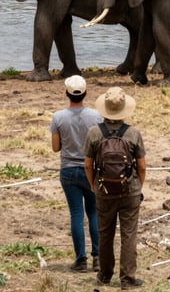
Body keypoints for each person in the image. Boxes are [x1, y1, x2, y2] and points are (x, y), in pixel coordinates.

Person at [84, 87, 146, 289]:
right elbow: (142, 166)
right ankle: (127, 279)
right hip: (130, 191)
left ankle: (104, 276)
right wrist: (137, 186)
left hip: (103, 190)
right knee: (129, 234)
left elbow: (87, 164)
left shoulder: (94, 133)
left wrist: (94, 186)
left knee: (105, 233)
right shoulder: (133, 133)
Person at [51, 75, 102, 272]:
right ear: (85, 93)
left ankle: (81, 259)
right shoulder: (96, 116)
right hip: (91, 169)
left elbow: (56, 148)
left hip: (68, 170)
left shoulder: (58, 118)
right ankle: (97, 257)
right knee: (94, 212)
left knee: (76, 214)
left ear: (67, 94)